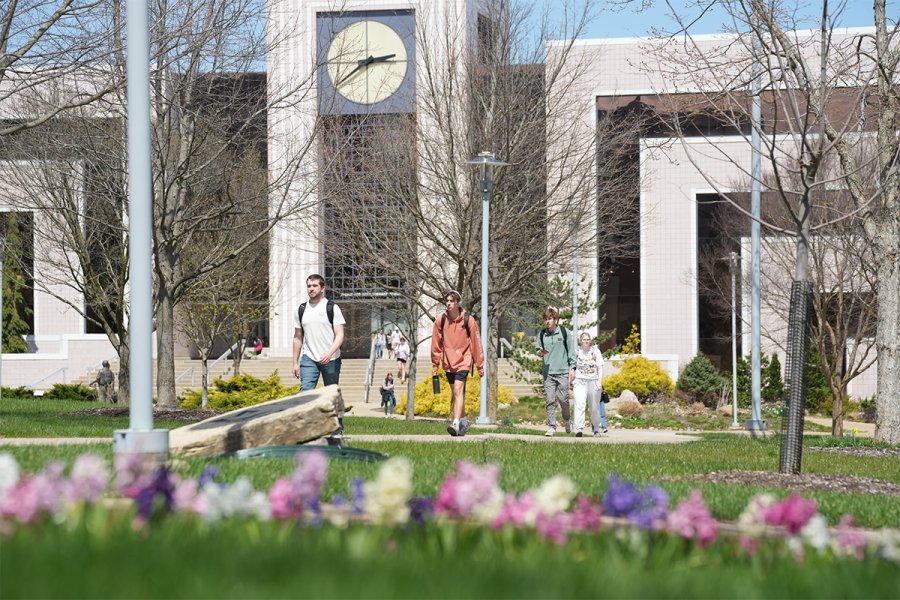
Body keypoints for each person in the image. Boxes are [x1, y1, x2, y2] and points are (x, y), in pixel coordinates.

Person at [291, 274, 346, 435]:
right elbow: (297, 337)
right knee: (305, 393)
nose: (311, 289)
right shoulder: (301, 310)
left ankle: (337, 429)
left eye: (315, 286)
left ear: (322, 288)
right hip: (309, 358)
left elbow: (340, 334)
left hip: (331, 358)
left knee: (332, 394)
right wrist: (295, 362)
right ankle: (306, 431)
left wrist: (330, 352)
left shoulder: (332, 308)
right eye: (309, 286)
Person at [431, 290, 484, 437]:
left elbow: (476, 343)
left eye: (451, 301)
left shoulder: (469, 320)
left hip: (464, 361)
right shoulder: (440, 320)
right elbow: (435, 344)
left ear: (457, 303)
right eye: (447, 301)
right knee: (456, 393)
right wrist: (435, 364)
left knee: (458, 391)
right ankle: (464, 421)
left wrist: (480, 364)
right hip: (448, 362)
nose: (448, 303)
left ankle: (455, 423)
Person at [536, 306, 576, 437]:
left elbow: (571, 351)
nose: (548, 321)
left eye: (550, 319)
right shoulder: (542, 334)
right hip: (548, 373)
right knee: (549, 400)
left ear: (555, 320)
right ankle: (552, 427)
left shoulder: (564, 332)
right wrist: (540, 353)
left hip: (563, 371)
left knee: (563, 399)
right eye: (546, 319)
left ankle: (567, 419)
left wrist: (572, 368)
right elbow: (537, 349)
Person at [573, 331, 608, 437]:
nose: (586, 341)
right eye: (584, 339)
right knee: (580, 404)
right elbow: (571, 366)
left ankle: (596, 429)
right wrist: (573, 378)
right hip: (580, 381)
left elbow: (600, 367)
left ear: (590, 341)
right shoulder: (576, 352)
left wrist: (599, 382)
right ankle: (578, 428)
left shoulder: (595, 351)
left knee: (594, 406)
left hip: (593, 381)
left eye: (588, 339)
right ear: (580, 341)